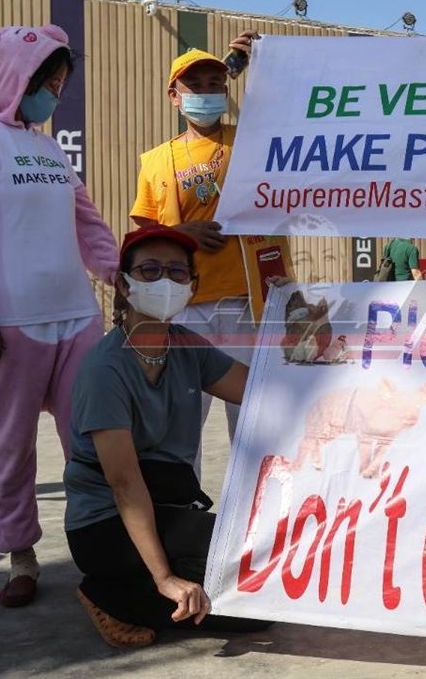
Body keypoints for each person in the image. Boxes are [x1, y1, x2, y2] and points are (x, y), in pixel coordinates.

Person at [0, 24, 118, 607]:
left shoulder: (51, 148)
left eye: (60, 84)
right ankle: (21, 555)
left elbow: (87, 222)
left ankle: (105, 549)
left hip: (78, 317)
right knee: (10, 448)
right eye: (47, 82)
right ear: (16, 76)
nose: (54, 94)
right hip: (8, 323)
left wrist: (119, 276)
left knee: (94, 441)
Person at [64, 225, 271, 647]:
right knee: (246, 603)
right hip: (105, 523)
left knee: (259, 590)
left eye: (177, 272)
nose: (165, 281)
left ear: (192, 285)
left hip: (168, 505)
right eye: (150, 270)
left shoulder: (187, 346)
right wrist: (164, 578)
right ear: (124, 284)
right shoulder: (105, 370)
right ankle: (106, 594)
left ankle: (155, 583)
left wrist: (312, 349)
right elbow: (124, 485)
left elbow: (259, 390)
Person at [130, 33, 259, 441]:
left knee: (253, 423)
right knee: (182, 424)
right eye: (195, 86)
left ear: (226, 90)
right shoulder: (155, 161)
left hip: (246, 305)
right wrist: (179, 234)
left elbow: (289, 119)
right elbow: (144, 237)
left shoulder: (253, 140)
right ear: (175, 96)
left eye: (214, 84)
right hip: (184, 309)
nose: (206, 93)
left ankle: (254, 489)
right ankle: (186, 488)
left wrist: (265, 64)